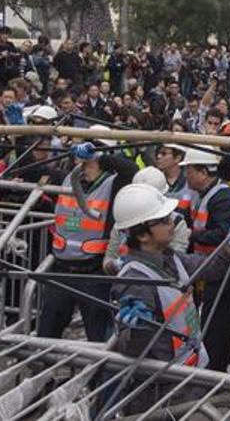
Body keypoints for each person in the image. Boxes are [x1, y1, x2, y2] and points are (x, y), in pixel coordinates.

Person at [109, 182, 230, 413]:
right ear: (142, 234)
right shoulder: (136, 281)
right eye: (164, 220)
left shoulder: (171, 259)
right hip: (160, 392)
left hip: (188, 375)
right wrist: (138, 329)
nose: (173, 223)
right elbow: (131, 348)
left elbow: (212, 267)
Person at [37, 140, 138, 342]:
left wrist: (98, 155)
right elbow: (34, 169)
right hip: (61, 269)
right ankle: (44, 370)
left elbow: (131, 169)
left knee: (97, 335)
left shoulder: (113, 183)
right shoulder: (68, 178)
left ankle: (96, 374)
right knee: (47, 332)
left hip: (93, 273)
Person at [180, 144, 230, 372]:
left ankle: (216, 370)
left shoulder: (222, 197)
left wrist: (192, 235)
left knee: (215, 323)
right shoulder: (202, 195)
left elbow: (224, 234)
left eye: (189, 170)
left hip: (225, 267)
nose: (185, 175)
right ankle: (227, 365)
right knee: (217, 322)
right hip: (208, 266)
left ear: (203, 172)